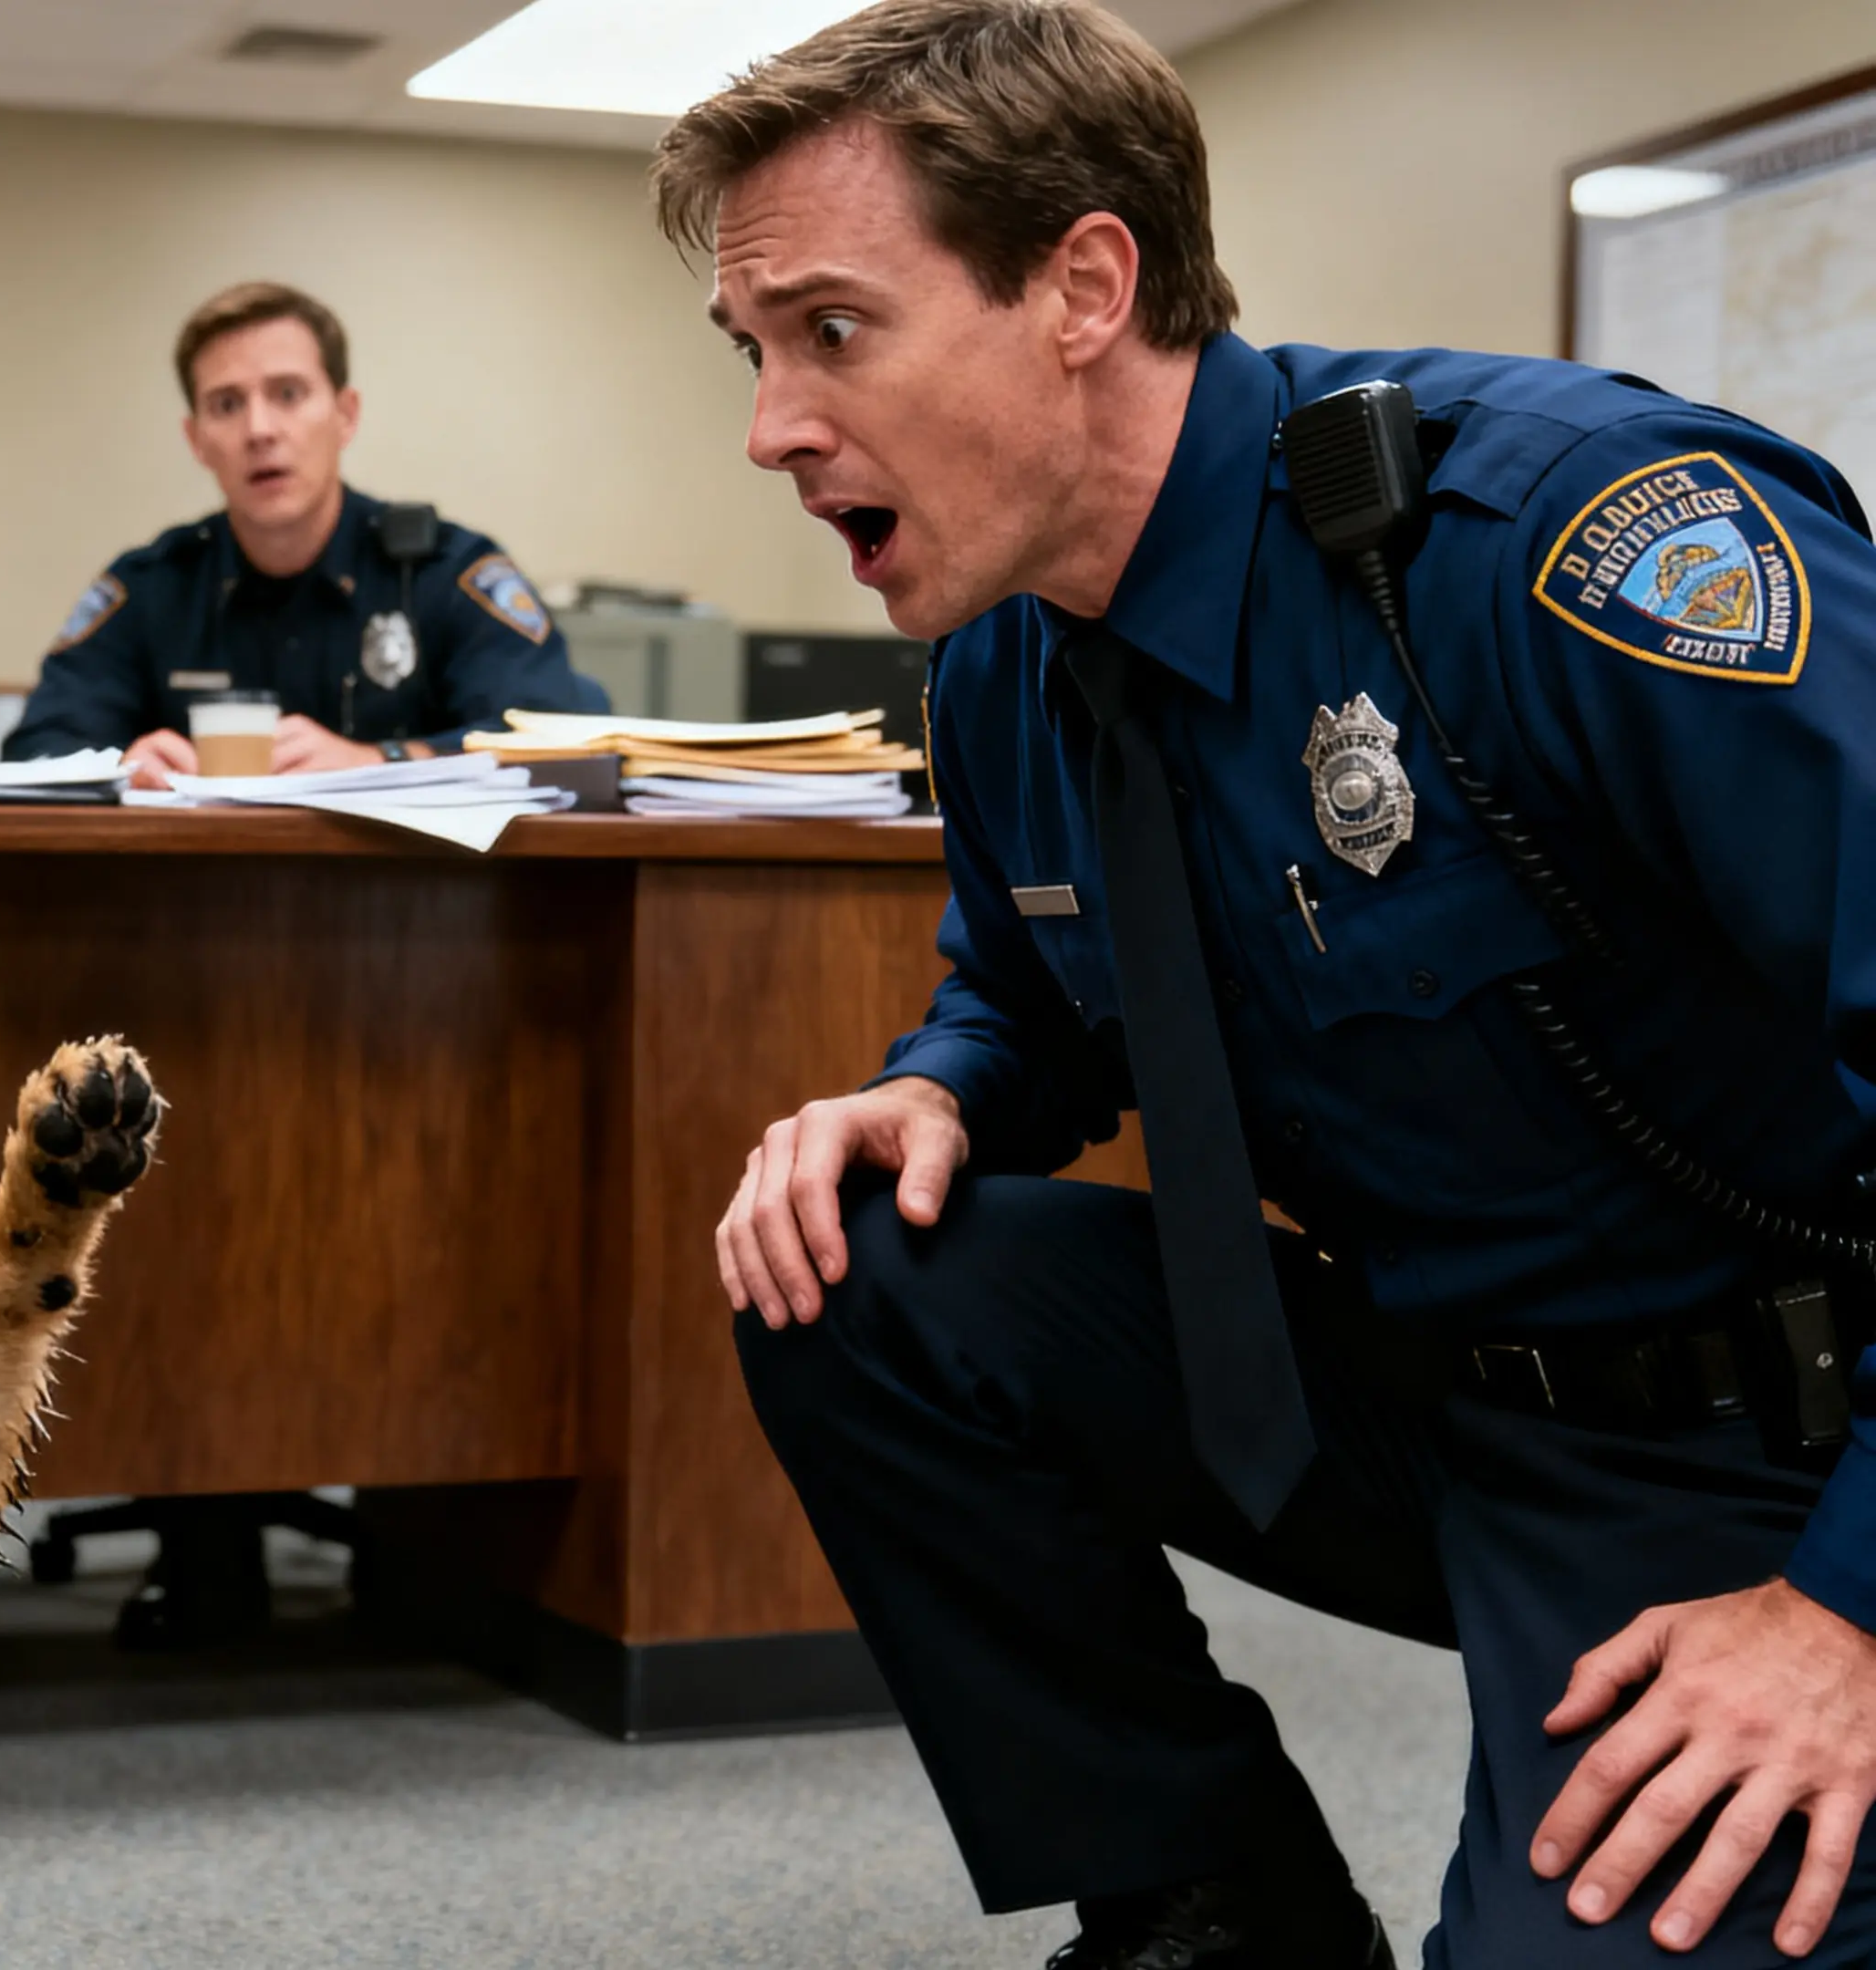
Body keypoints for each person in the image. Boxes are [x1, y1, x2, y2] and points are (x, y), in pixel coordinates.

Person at [683, 4, 1876, 1967]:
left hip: (1767, 1445)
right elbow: (1032, 994)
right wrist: (946, 1090)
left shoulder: (1558, 545)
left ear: (1082, 285)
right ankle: (1215, 1907)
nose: (773, 428)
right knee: (858, 1271)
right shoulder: (1005, 657)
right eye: (752, 353)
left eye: (831, 331)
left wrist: (1846, 1614)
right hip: (1413, 1399)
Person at [1, 281, 586, 783]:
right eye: (227, 404)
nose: (259, 429)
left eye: (288, 394)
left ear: (346, 414)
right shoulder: (153, 587)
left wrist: (382, 762)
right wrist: (122, 767)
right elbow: (36, 748)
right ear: (196, 439)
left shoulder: (443, 571)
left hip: (416, 903)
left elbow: (556, 740)